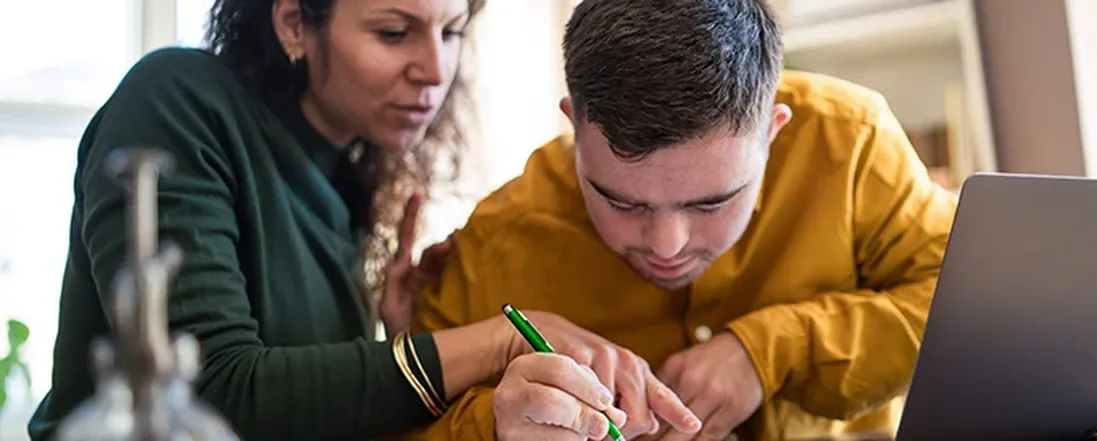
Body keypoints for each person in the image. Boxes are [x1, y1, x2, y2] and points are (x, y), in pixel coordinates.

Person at [26, 1, 700, 440]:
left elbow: (313, 402)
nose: (435, 69)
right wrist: (494, 342)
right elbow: (213, 394)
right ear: (293, 22)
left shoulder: (354, 167)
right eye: (393, 31)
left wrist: (389, 324)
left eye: (453, 31)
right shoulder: (176, 98)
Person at [406, 0, 960, 440]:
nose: (667, 246)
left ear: (773, 127)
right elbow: (404, 429)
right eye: (622, 202)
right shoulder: (496, 244)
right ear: (575, 125)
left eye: (711, 203)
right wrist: (496, 428)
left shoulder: (852, 144)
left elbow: (964, 305)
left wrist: (770, 350)